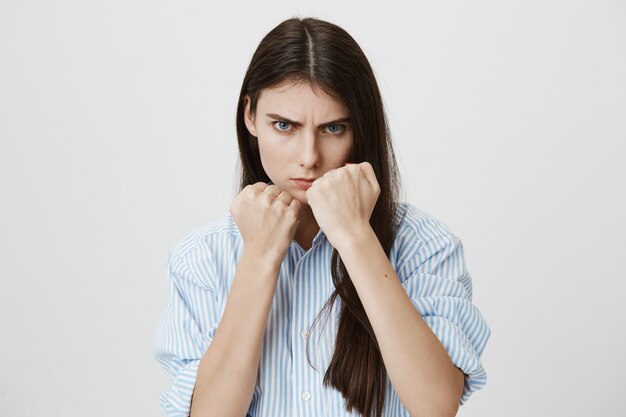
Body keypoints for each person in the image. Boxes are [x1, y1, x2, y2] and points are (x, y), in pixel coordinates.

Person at [151, 16, 491, 417]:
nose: (309, 157)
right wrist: (260, 258)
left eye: (332, 128)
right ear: (250, 117)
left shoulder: (425, 244)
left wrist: (354, 236)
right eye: (284, 126)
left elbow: (437, 406)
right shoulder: (202, 257)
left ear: (358, 127)